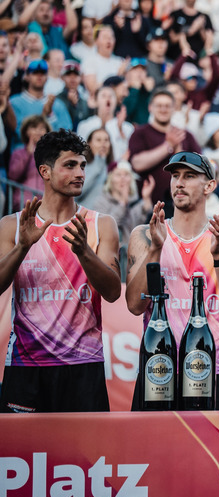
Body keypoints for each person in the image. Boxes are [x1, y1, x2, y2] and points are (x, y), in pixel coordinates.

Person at [0, 130, 122, 412]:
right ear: (45, 171)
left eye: (82, 165)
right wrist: (22, 247)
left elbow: (114, 292)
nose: (80, 172)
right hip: (26, 364)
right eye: (70, 165)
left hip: (84, 366)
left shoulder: (100, 224)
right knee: (23, 454)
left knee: (87, 455)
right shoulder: (12, 225)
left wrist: (84, 252)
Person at [124, 151, 219, 410]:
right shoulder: (145, 235)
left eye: (189, 176)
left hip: (213, 370)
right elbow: (134, 305)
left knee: (212, 453)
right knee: (152, 451)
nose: (179, 183)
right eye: (175, 176)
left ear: (210, 186)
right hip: (158, 368)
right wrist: (154, 251)